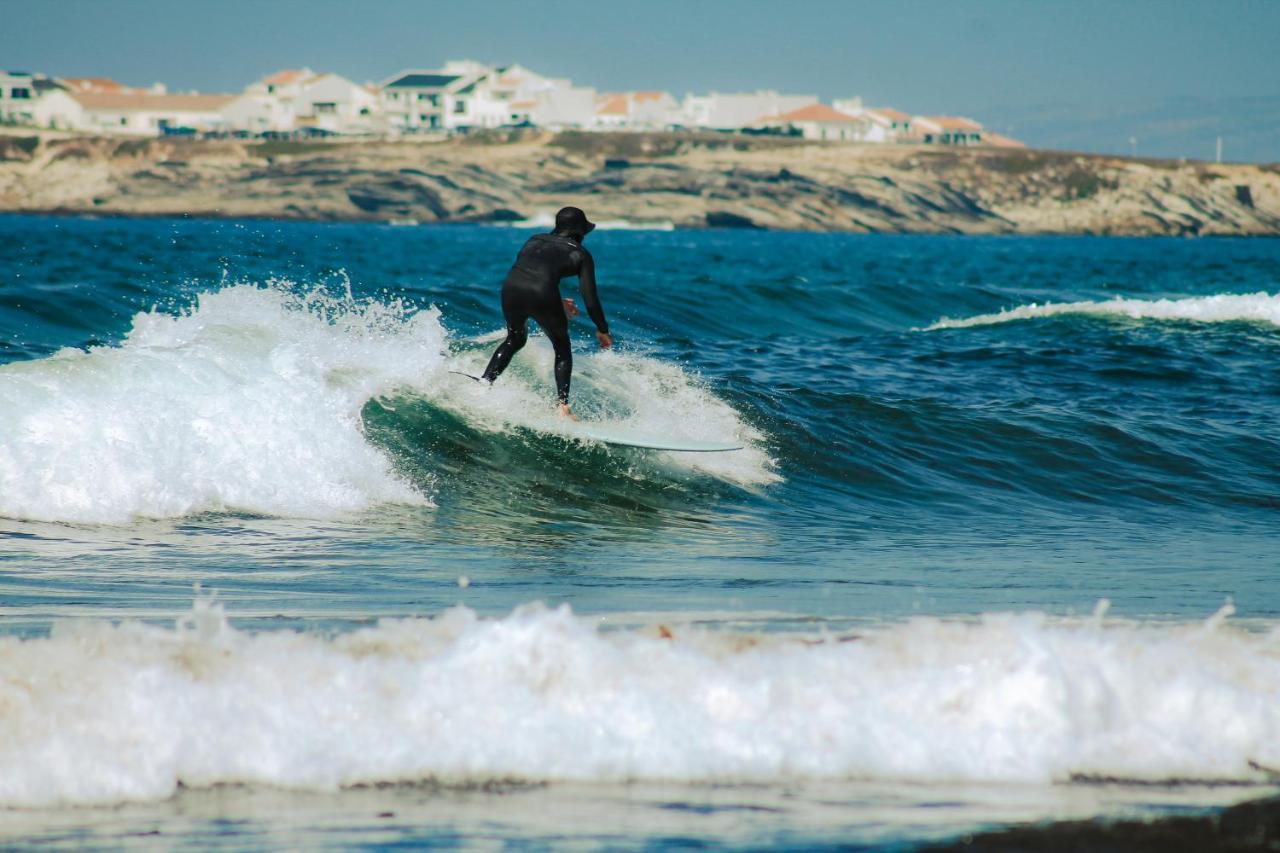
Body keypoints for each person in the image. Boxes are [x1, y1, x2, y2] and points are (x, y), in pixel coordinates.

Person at [480, 206, 613, 418]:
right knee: (562, 347)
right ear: (580, 231)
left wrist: (555, 300)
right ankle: (563, 407)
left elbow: (531, 274)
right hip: (542, 292)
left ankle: (484, 382)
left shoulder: (533, 240)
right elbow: (590, 298)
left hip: (511, 288)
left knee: (514, 339)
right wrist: (602, 329)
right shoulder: (580, 254)